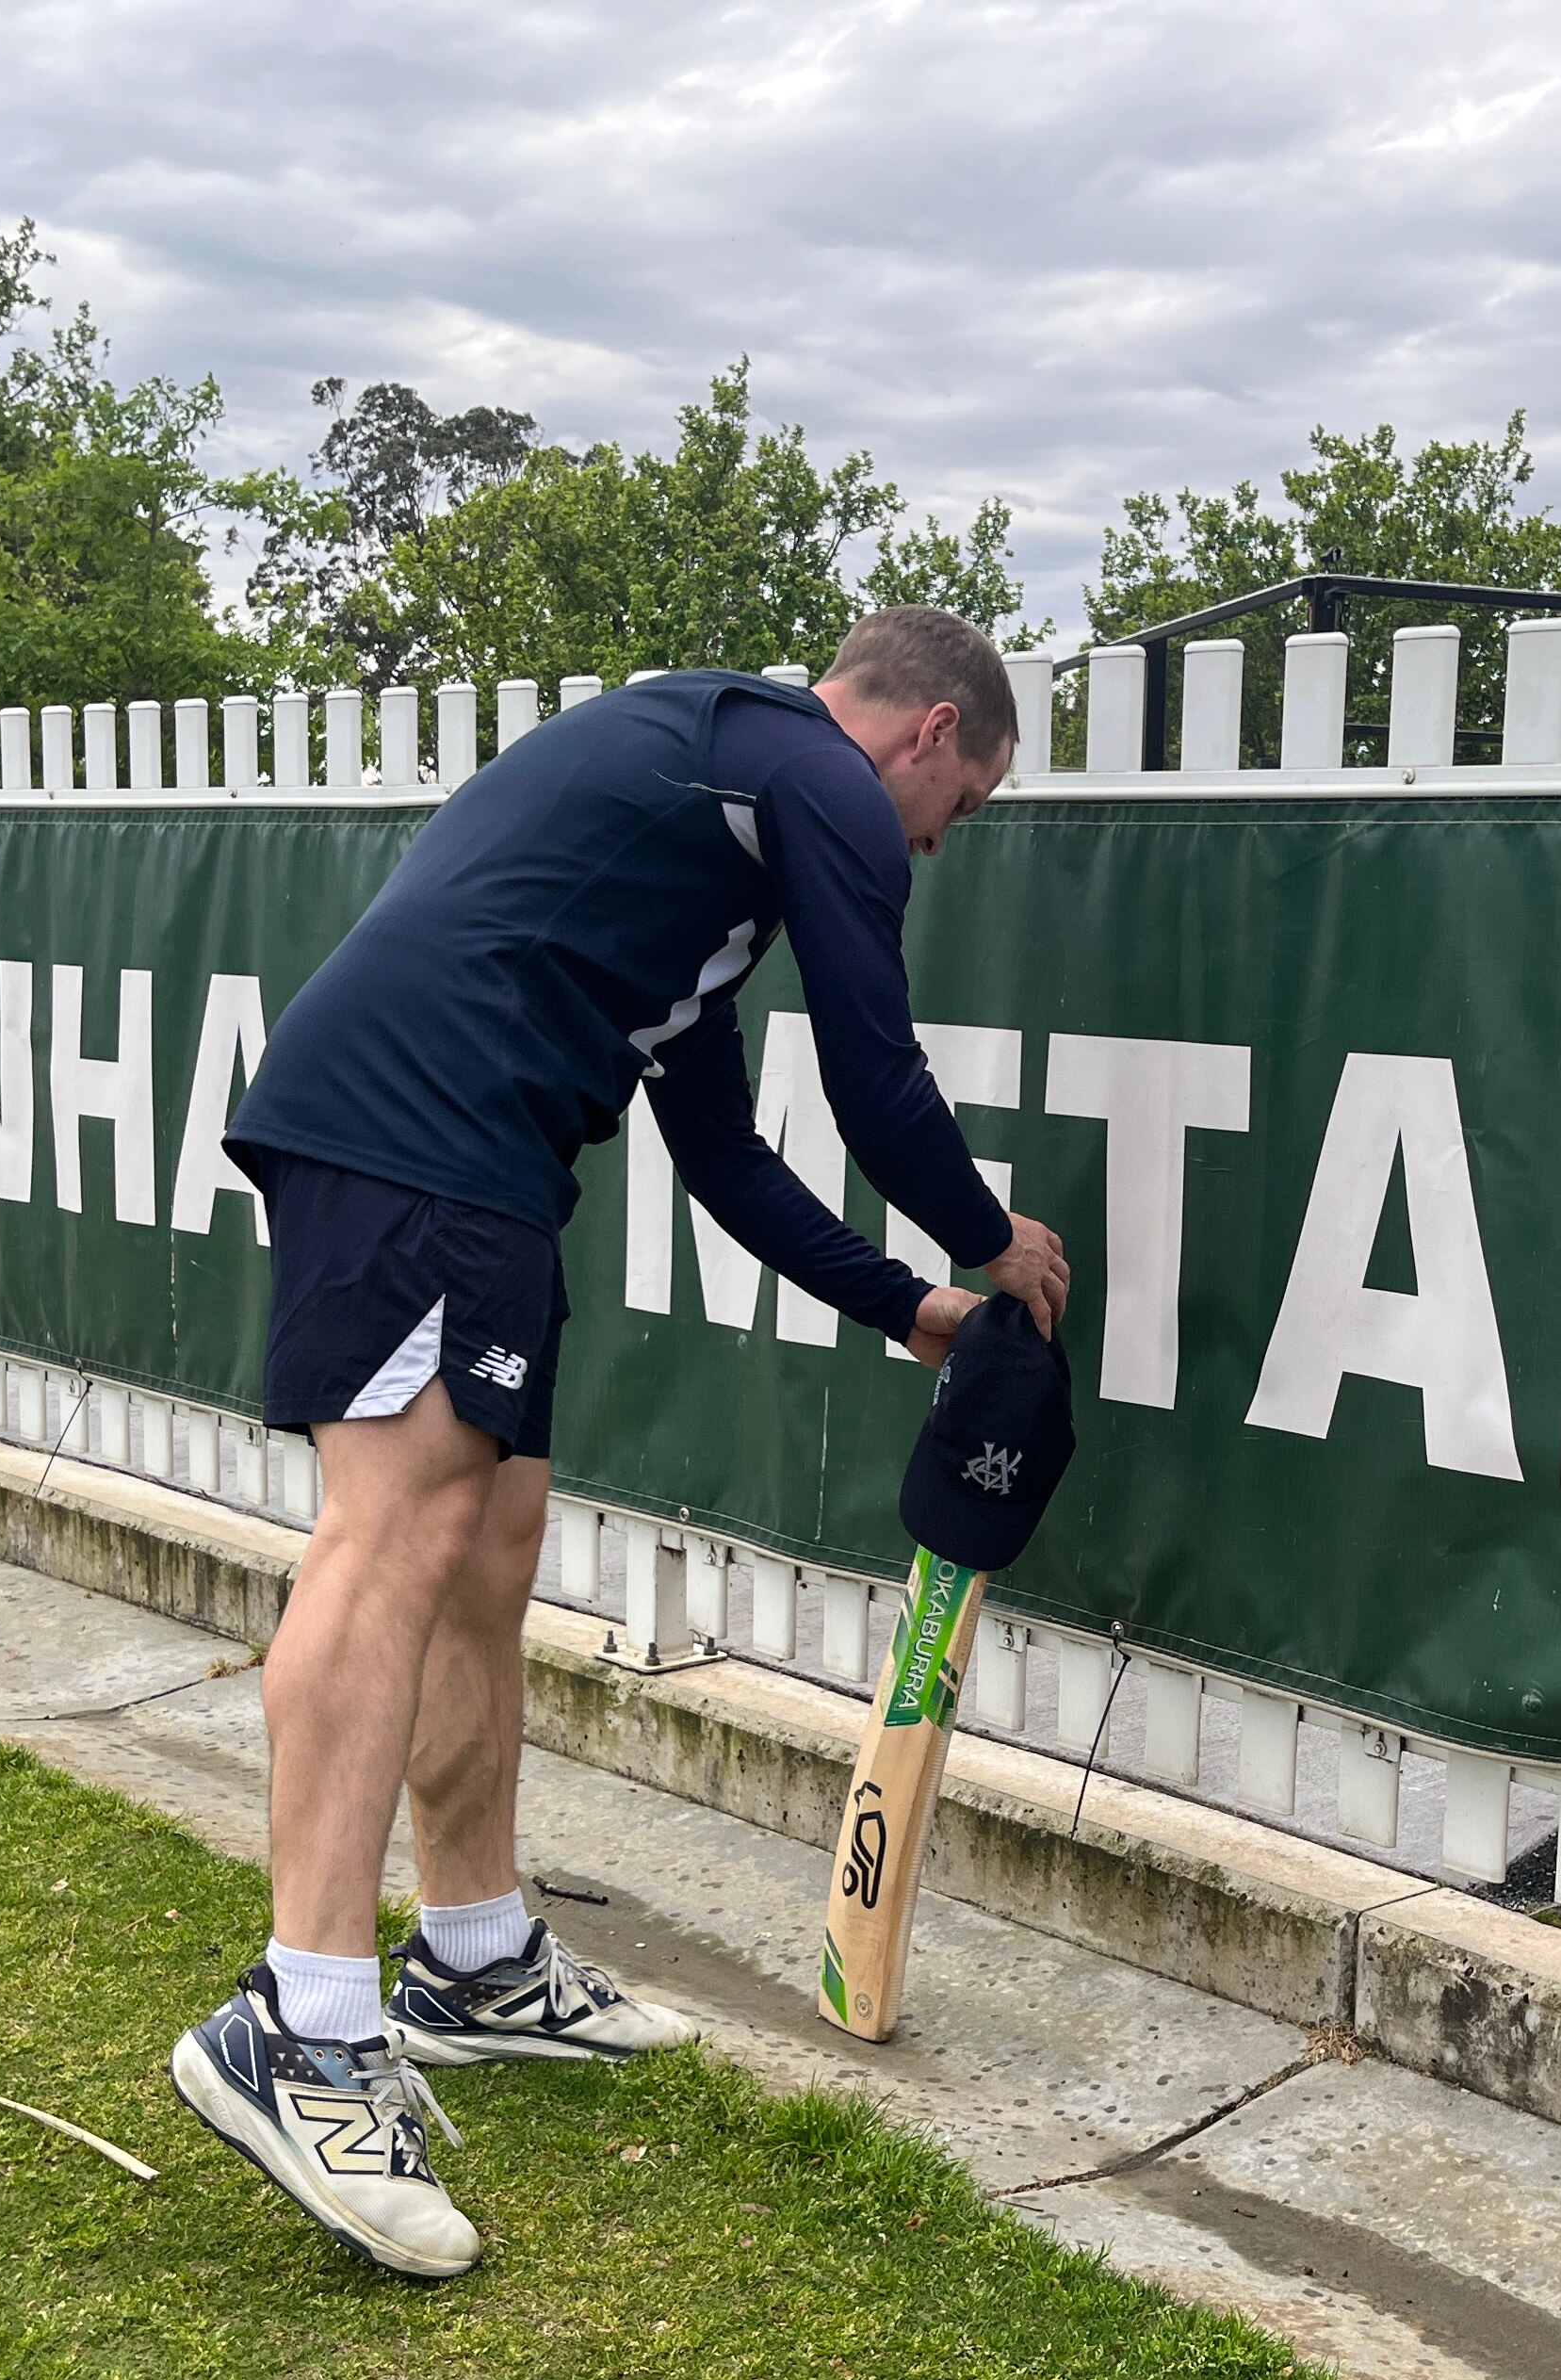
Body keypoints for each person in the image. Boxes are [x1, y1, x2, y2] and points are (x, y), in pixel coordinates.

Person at [167, 606, 1072, 2277]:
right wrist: (986, 1238)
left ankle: (475, 1953)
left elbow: (723, 1151)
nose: (941, 846)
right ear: (927, 733)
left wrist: (905, 1303)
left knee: (488, 1549)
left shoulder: (707, 843)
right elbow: (877, 1070)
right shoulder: (805, 770)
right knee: (392, 1542)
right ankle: (299, 2023)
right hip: (412, 1135)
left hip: (482, 1155)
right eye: (967, 806)